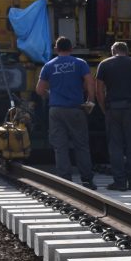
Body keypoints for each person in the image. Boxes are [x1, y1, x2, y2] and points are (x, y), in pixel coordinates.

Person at [36, 37, 97, 189]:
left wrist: (51, 94)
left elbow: (39, 89)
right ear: (71, 48)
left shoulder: (49, 65)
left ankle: (65, 180)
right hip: (76, 109)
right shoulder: (80, 63)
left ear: (56, 49)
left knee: (60, 146)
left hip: (56, 110)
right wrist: (90, 100)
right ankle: (87, 179)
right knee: (81, 145)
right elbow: (90, 82)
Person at [96, 41, 131, 190]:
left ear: (113, 51)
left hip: (113, 109)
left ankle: (120, 182)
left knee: (115, 146)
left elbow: (99, 90)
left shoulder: (104, 64)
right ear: (126, 51)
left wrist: (105, 109)